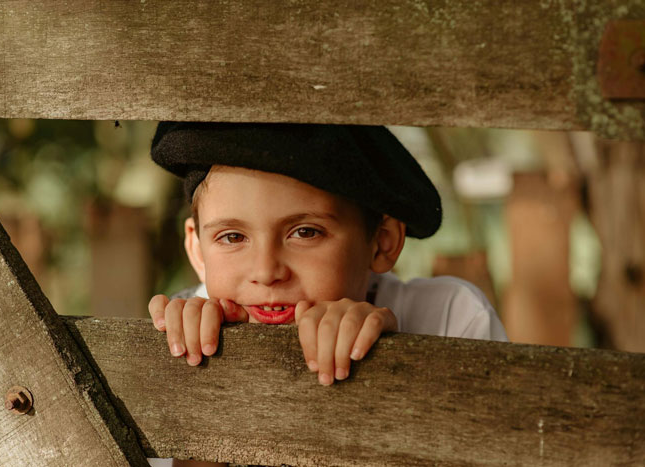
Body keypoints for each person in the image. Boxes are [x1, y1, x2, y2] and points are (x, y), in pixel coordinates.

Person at [146, 122, 508, 467]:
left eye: (305, 232)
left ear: (382, 242)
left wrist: (388, 366)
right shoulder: (178, 338)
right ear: (197, 250)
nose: (267, 272)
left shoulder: (447, 318)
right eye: (232, 237)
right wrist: (207, 384)